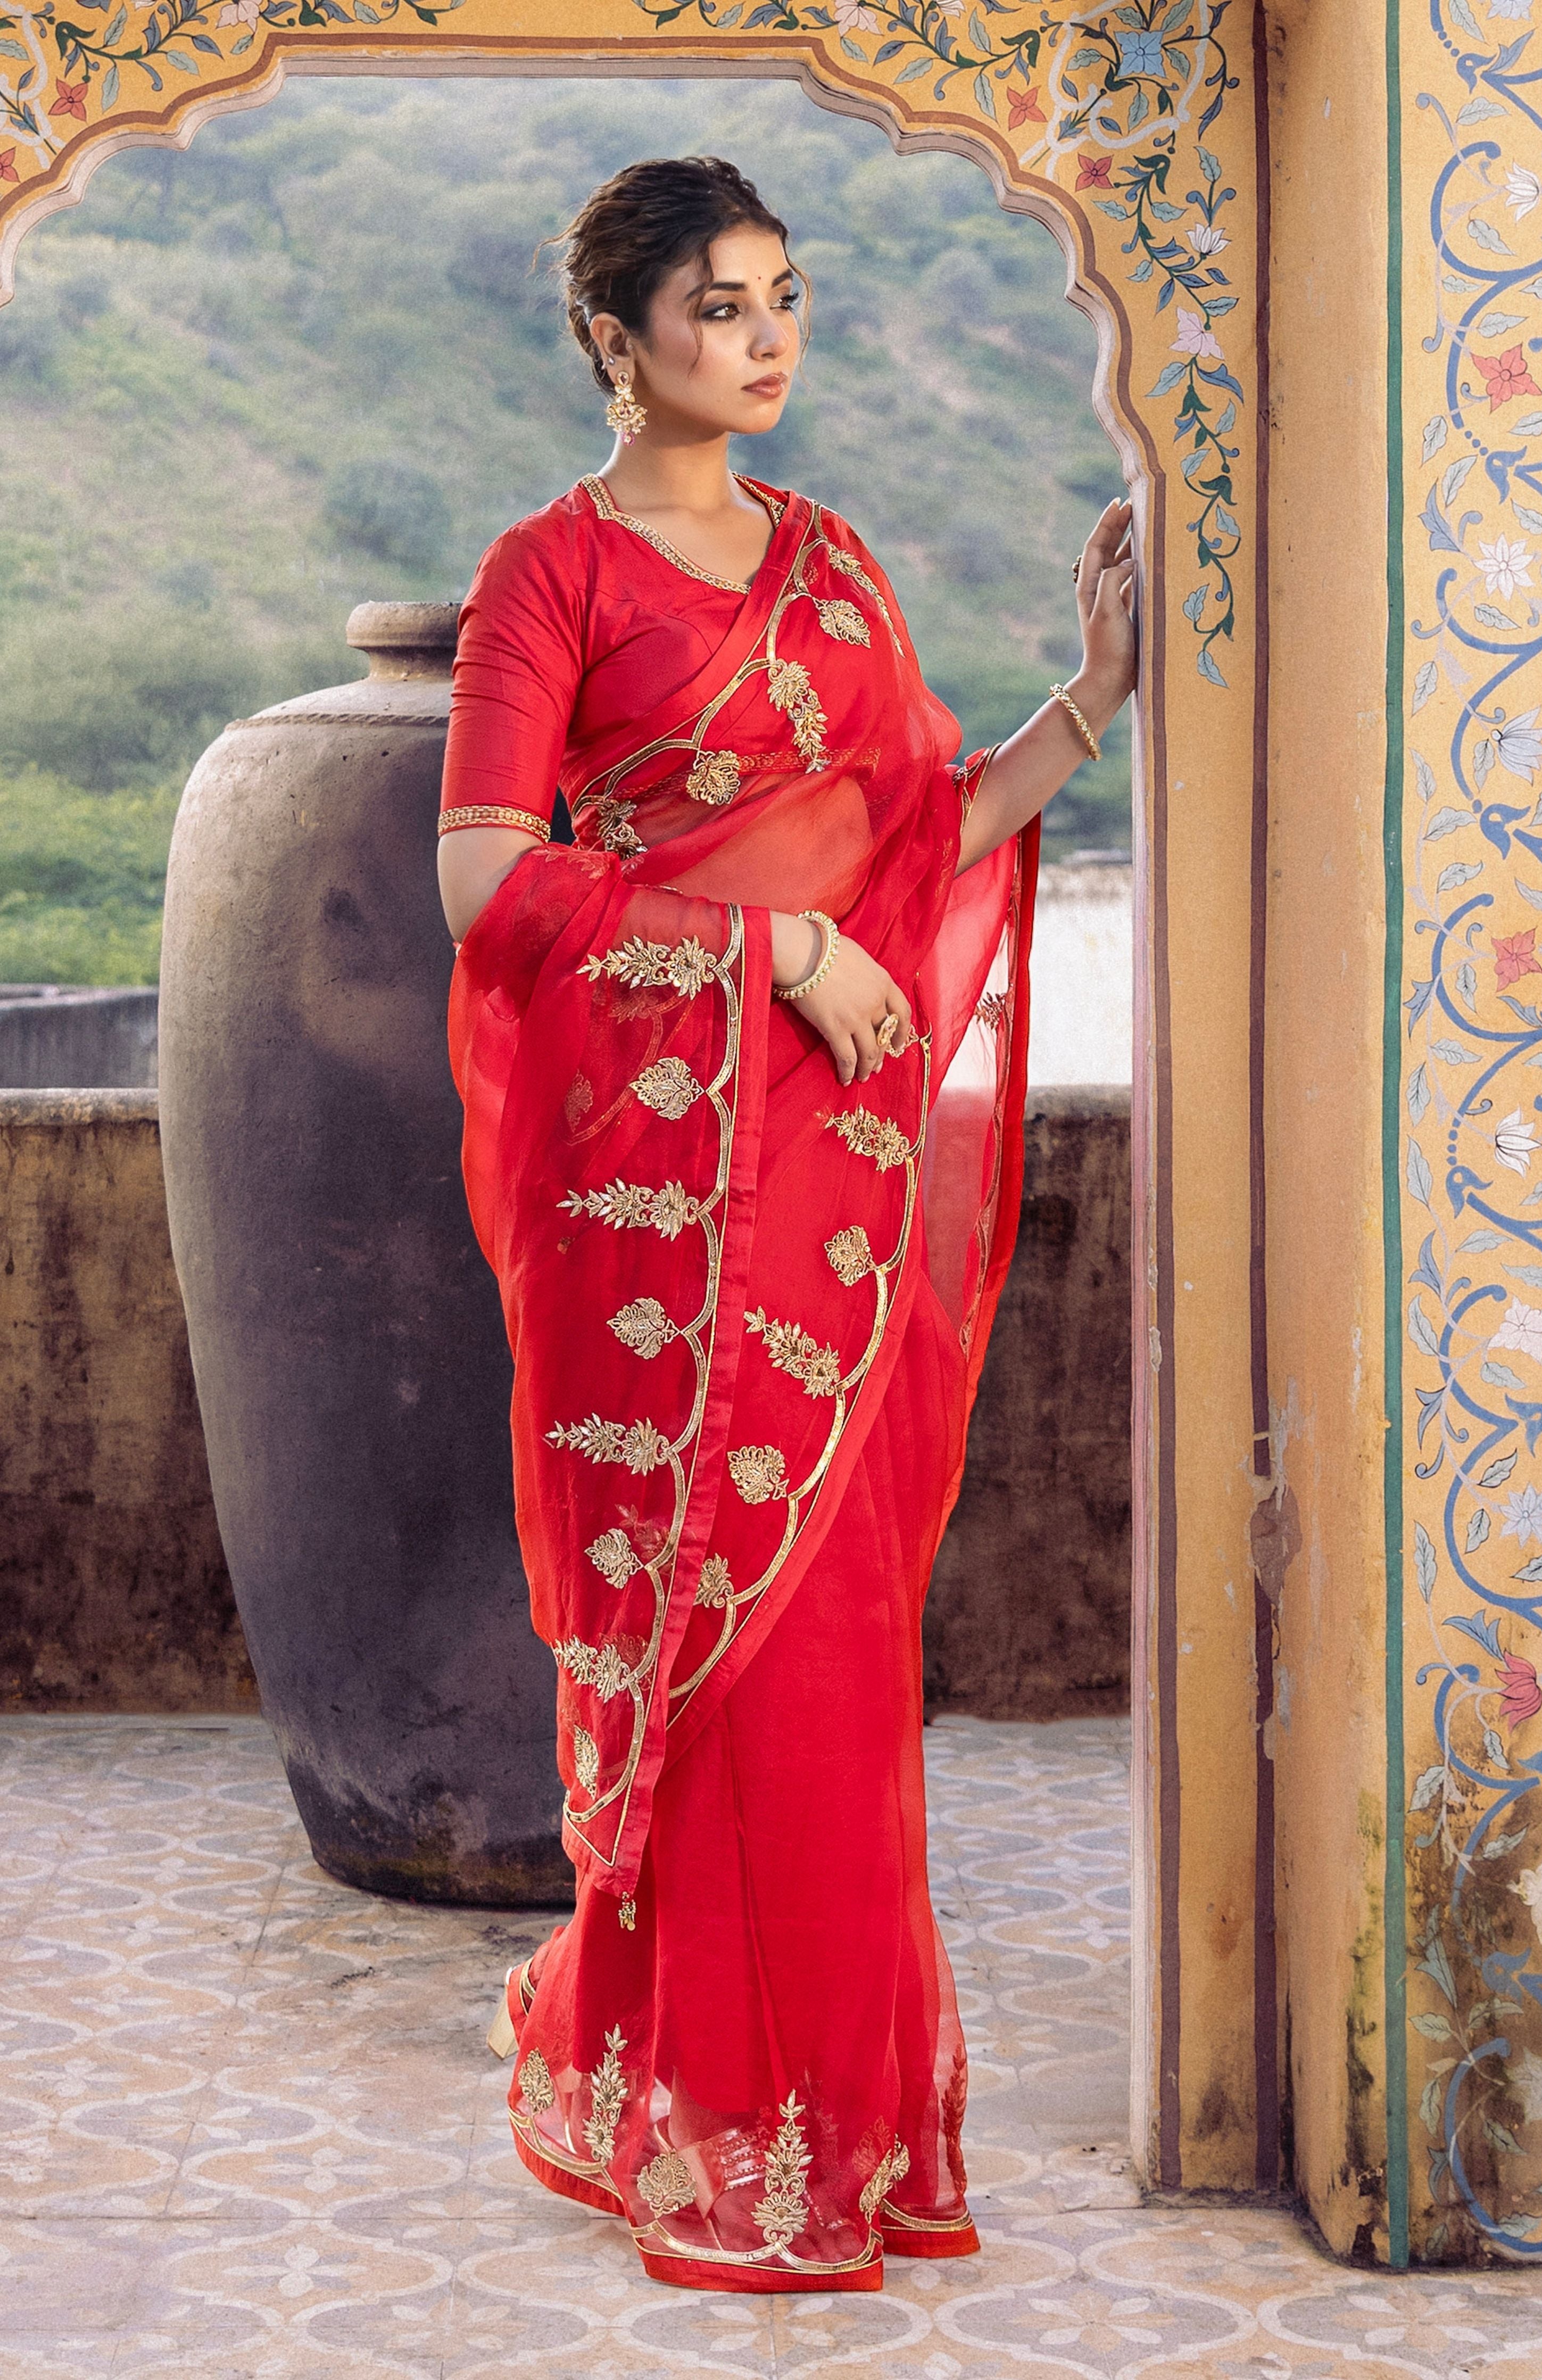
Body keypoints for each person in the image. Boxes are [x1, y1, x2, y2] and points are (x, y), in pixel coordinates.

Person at [437, 153, 1135, 2295]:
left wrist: (1095, 698)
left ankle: (824, 2140)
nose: (762, 339)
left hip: (831, 1190)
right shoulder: (545, 575)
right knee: (709, 1666)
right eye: (717, 306)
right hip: (655, 1197)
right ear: (614, 338)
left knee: (827, 1654)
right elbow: (485, 876)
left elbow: (923, 834)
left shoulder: (830, 564)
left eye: (782, 298)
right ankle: (702, 2126)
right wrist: (757, 966)